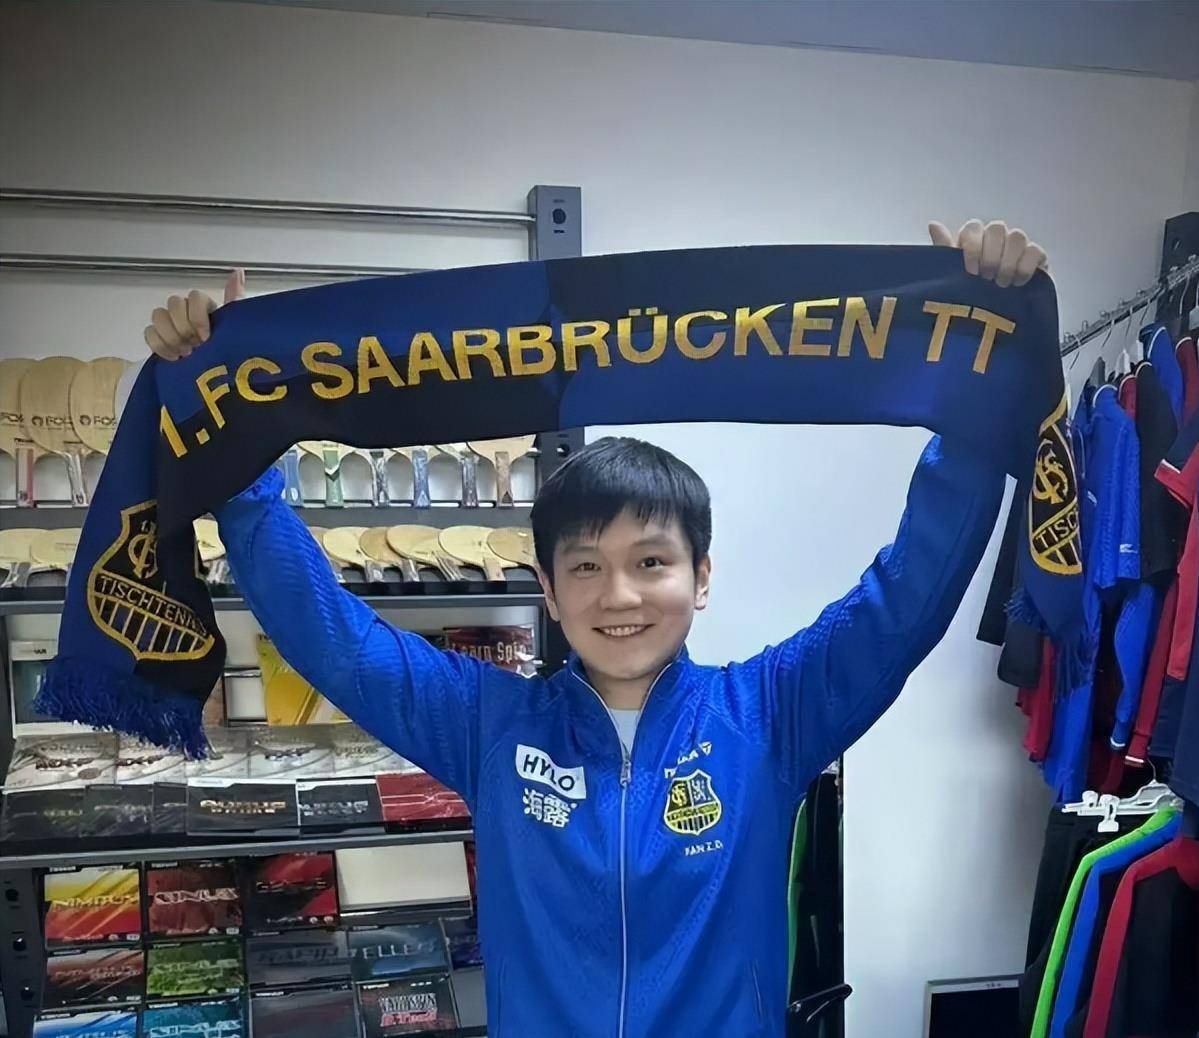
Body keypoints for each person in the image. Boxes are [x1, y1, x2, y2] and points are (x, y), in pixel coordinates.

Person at [144, 220, 1048, 1037]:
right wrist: (238, 449)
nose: (618, 596)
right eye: (584, 566)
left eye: (651, 561)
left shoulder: (770, 715)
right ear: (547, 589)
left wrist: (970, 392)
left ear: (701, 577)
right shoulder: (489, 725)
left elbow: (905, 597)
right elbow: (332, 637)